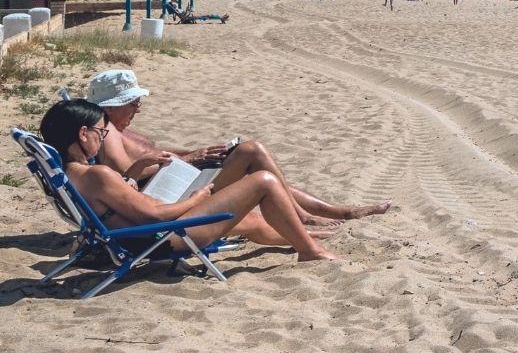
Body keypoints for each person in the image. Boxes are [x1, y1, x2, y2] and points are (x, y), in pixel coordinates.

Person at [84, 69, 391, 231]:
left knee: (252, 161)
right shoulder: (106, 132)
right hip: (170, 197)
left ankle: (330, 211)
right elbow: (128, 178)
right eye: (132, 102)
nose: (139, 106)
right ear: (110, 105)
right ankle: (311, 215)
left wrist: (195, 151)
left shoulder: (115, 127)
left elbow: (152, 153)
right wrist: (190, 159)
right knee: (252, 153)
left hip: (174, 183)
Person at [40, 99, 337, 263]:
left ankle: (302, 237)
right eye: (101, 133)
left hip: (145, 232)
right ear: (82, 134)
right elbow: (153, 214)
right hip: (163, 237)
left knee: (248, 193)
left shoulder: (76, 174)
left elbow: (119, 203)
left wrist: (134, 172)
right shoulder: (97, 174)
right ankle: (308, 250)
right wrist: (198, 197)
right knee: (263, 181)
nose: (103, 137)